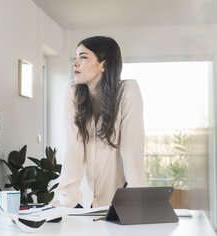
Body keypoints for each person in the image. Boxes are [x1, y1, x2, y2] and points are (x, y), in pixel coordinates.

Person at [52, 36, 148, 208]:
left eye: (83, 57)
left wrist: (140, 204)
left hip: (117, 202)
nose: (75, 63)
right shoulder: (72, 92)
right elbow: (72, 149)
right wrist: (66, 199)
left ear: (104, 64)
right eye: (75, 57)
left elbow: (131, 154)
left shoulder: (128, 91)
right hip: (82, 200)